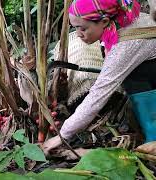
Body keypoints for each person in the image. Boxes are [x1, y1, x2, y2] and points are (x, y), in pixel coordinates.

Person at [43, 0, 156, 155]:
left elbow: (97, 96)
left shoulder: (124, 46)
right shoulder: (122, 20)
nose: (78, 34)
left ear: (103, 22)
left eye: (83, 28)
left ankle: (153, 136)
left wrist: (63, 135)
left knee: (132, 76)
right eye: (74, 27)